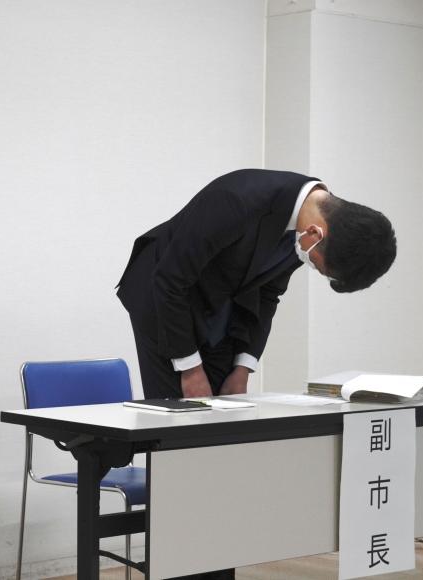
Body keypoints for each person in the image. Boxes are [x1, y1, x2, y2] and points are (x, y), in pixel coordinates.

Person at [115, 169, 396, 579]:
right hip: (165, 306)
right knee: (180, 445)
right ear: (317, 234)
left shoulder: (310, 230)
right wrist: (190, 368)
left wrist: (243, 367)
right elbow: (169, 280)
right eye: (320, 268)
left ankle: (214, 566)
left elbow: (268, 291)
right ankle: (176, 568)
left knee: (223, 444)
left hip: (222, 309)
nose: (313, 269)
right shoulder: (237, 200)